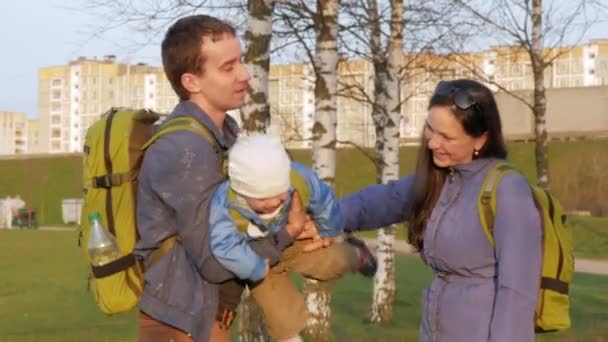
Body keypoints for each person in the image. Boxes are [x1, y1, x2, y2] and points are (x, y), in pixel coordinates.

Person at [134, 15, 306, 342]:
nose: (243, 74)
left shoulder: (225, 135)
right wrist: (288, 233)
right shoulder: (185, 150)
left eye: (240, 61)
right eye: (228, 67)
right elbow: (215, 261)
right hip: (181, 323)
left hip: (204, 317)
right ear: (192, 82)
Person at [338, 79, 542, 342]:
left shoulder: (508, 191)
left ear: (480, 139)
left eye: (446, 137)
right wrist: (321, 216)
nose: (433, 143)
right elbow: (380, 201)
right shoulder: (440, 179)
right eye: (430, 129)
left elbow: (517, 293)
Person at [208, 134, 377, 342]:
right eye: (262, 198)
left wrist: (328, 232)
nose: (272, 203)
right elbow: (225, 247)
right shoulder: (224, 204)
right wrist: (255, 268)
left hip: (295, 240)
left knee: (330, 261)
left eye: (279, 195)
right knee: (281, 317)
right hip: (260, 260)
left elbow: (325, 201)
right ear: (243, 190)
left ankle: (356, 255)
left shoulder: (300, 179)